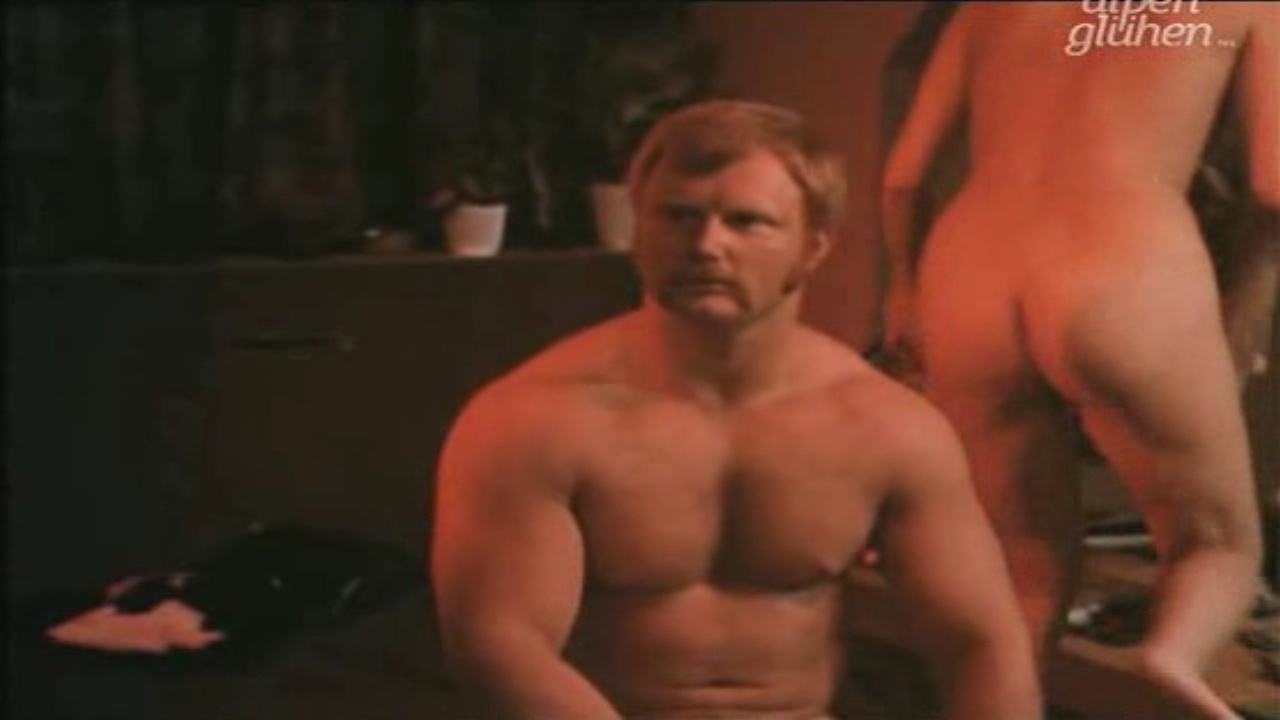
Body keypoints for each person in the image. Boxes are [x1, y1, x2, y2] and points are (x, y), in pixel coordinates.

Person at [432, 99, 1041, 720]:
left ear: (813, 247)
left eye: (747, 222)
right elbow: (499, 647)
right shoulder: (536, 420)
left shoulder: (885, 428)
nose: (706, 245)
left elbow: (982, 643)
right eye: (678, 216)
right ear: (639, 233)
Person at [881, 3, 1274, 717]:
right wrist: (1245, 311)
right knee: (1215, 545)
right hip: (1120, 251)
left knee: (1022, 557)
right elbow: (1275, 186)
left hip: (969, 266)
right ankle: (1172, 654)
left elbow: (905, 179)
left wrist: (904, 288)